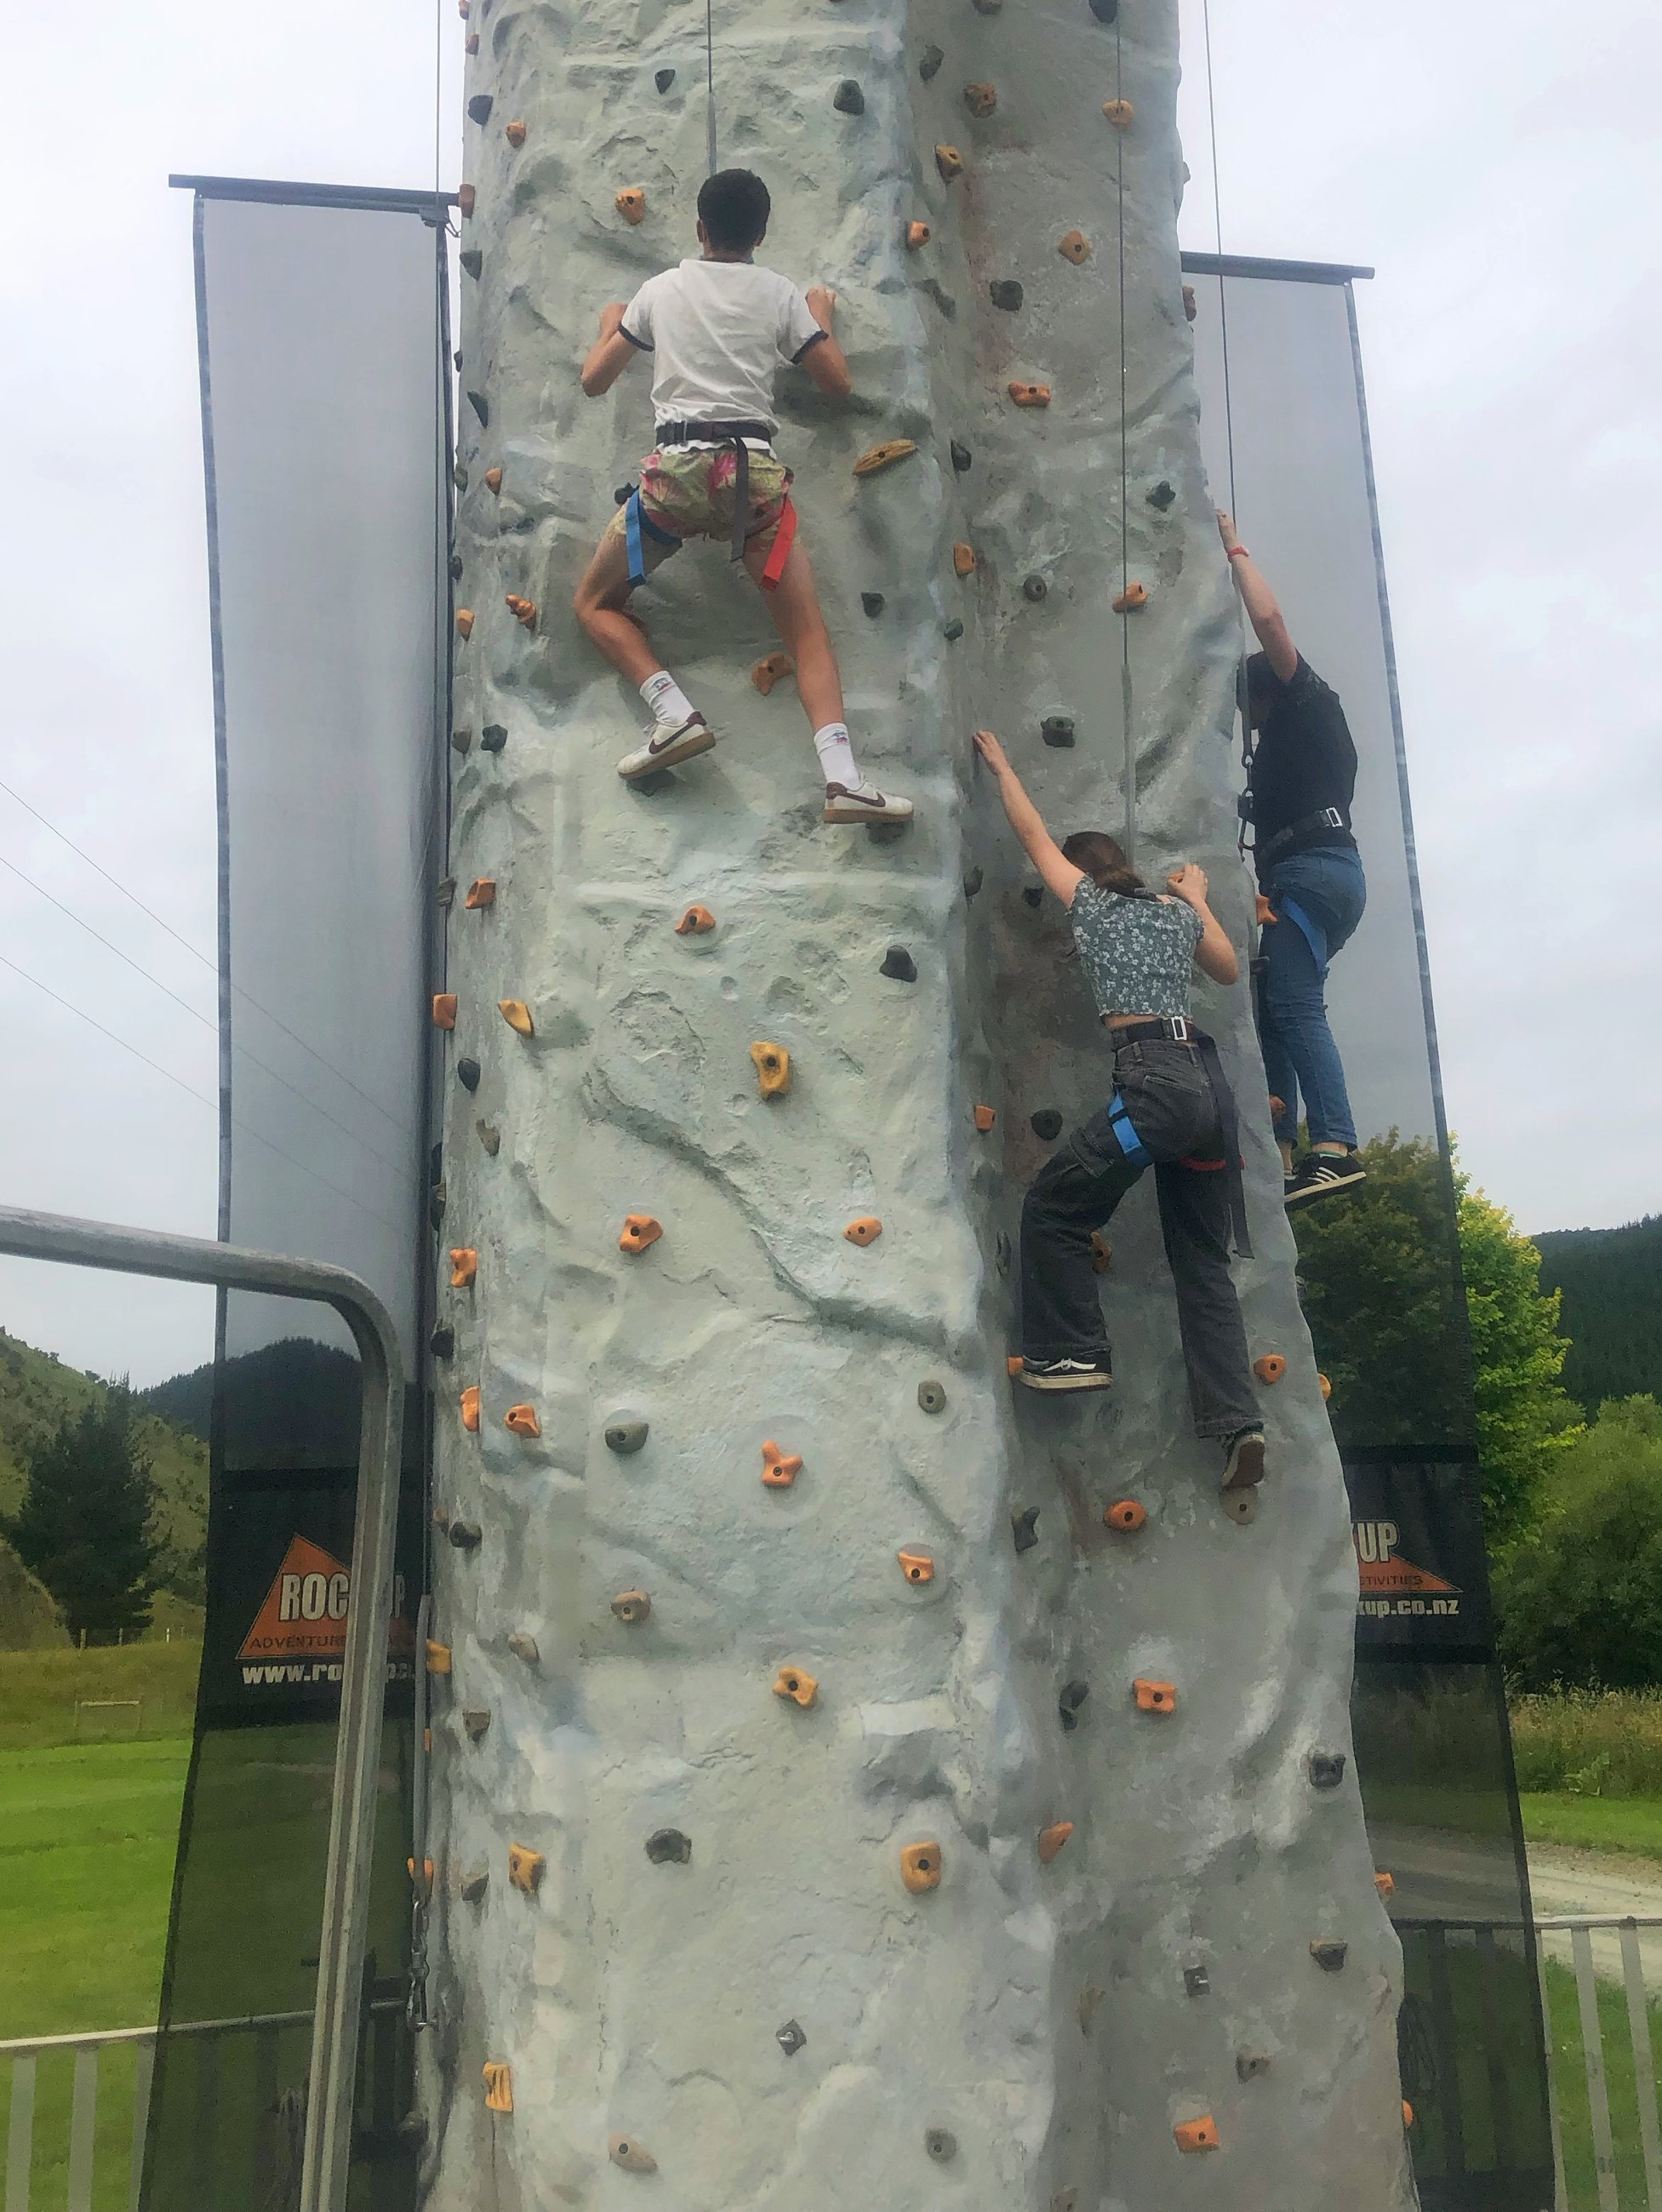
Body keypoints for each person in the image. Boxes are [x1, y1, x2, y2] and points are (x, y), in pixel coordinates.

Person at [970, 730, 1267, 1499]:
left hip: (1153, 1089)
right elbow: (1230, 970)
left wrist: (1004, 768)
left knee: (1054, 1207)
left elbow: (1032, 835)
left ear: (1082, 869)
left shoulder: (1091, 904)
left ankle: (1070, 1352)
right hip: (1204, 1094)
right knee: (1202, 1266)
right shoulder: (1172, 913)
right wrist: (1197, 895)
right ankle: (1240, 1422)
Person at [572, 168, 912, 825]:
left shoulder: (660, 290)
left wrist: (611, 325)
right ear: (761, 234)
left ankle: (672, 711)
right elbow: (836, 382)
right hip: (749, 485)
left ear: (699, 229)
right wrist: (820, 320)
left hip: (675, 478)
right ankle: (842, 778)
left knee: (592, 603)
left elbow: (593, 380)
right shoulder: (778, 293)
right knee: (808, 634)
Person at [1217, 516, 1367, 1209]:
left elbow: (1272, 622)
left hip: (1310, 872)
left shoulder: (1305, 701)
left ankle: (1335, 1145)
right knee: (1275, 1004)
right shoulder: (1312, 741)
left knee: (1296, 1006)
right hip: (1321, 872)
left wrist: (1234, 548)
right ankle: (1282, 1145)